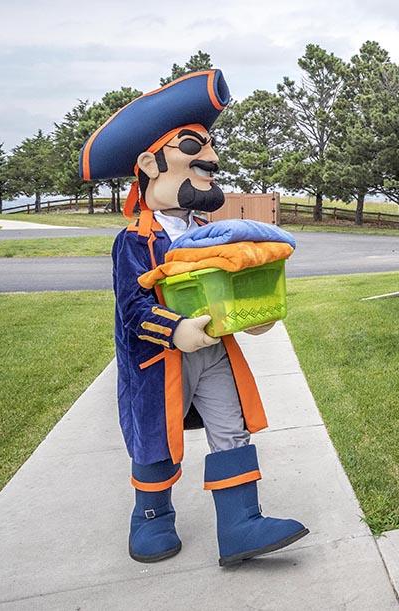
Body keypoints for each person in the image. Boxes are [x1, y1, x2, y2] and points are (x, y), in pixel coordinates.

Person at [79, 69, 307, 566]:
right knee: (157, 438)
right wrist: (176, 330)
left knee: (231, 426)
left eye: (209, 150)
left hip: (215, 351)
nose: (210, 160)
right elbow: (133, 308)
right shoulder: (134, 242)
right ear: (149, 164)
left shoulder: (209, 233)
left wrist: (251, 314)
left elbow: (231, 281)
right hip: (159, 362)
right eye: (192, 147)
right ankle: (152, 516)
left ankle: (241, 522)